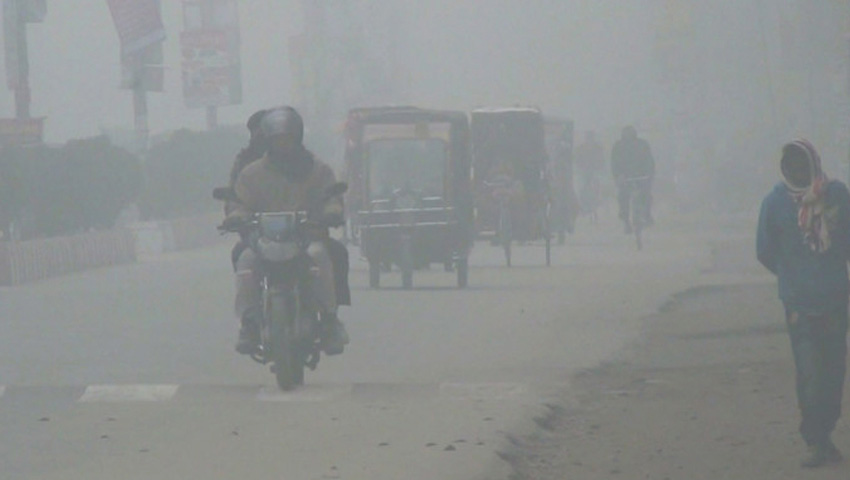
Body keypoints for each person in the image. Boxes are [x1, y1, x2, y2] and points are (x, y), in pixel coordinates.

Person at [223, 106, 350, 356]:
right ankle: (248, 324)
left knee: (322, 256)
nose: (283, 144)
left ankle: (329, 320)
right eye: (278, 139)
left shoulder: (318, 170)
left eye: (288, 138)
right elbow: (238, 202)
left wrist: (331, 213)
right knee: (245, 259)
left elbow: (331, 196)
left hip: (307, 238)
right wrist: (237, 218)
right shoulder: (251, 173)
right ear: (268, 140)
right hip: (263, 239)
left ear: (298, 137)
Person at [757, 139, 850, 468]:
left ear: (813, 163)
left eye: (801, 163)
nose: (795, 169)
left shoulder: (837, 196)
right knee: (810, 373)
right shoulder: (775, 204)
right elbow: (765, 251)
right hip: (798, 303)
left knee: (834, 371)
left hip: (836, 299)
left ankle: (826, 430)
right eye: (790, 164)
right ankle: (816, 439)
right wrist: (792, 277)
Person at [611, 126, 655, 233]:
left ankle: (647, 215)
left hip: (641, 176)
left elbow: (649, 160)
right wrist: (618, 176)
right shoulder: (618, 146)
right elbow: (614, 163)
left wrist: (649, 175)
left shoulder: (642, 144)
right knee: (623, 197)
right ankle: (625, 219)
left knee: (646, 195)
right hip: (625, 177)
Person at [575, 131, 605, 219]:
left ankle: (596, 201)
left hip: (595, 171)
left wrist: (598, 167)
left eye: (591, 137)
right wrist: (582, 167)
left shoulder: (598, 148)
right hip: (584, 171)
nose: (589, 139)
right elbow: (577, 160)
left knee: (596, 187)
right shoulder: (580, 148)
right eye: (588, 138)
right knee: (581, 187)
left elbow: (601, 160)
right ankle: (582, 204)